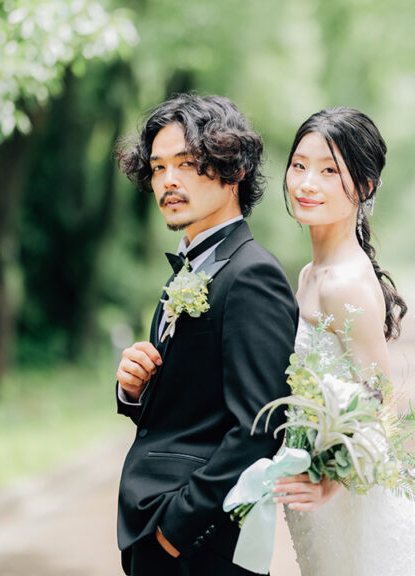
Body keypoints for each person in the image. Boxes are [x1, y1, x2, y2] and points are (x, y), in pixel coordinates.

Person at [113, 93, 297, 576]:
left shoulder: (252, 275)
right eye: (157, 168)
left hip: (198, 548)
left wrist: (176, 531)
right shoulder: (192, 265)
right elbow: (193, 406)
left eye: (188, 163)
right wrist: (135, 390)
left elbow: (260, 428)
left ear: (233, 169)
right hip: (151, 527)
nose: (168, 181)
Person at [271, 108, 415, 575]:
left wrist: (329, 482)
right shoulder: (309, 273)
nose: (306, 183)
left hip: (350, 505)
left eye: (328, 170)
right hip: (318, 502)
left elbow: (382, 404)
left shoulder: (344, 284)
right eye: (299, 165)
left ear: (365, 187)